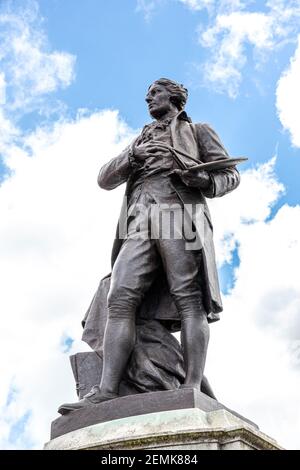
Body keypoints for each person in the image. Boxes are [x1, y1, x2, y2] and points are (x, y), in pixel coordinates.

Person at [58, 78, 240, 414]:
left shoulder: (199, 130)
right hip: (139, 219)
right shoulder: (140, 139)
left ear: (174, 98)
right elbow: (104, 179)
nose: (147, 97)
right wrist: (132, 155)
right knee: (119, 294)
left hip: (178, 214)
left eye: (154, 92)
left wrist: (202, 180)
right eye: (146, 94)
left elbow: (229, 175)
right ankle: (107, 391)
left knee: (189, 298)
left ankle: (191, 388)